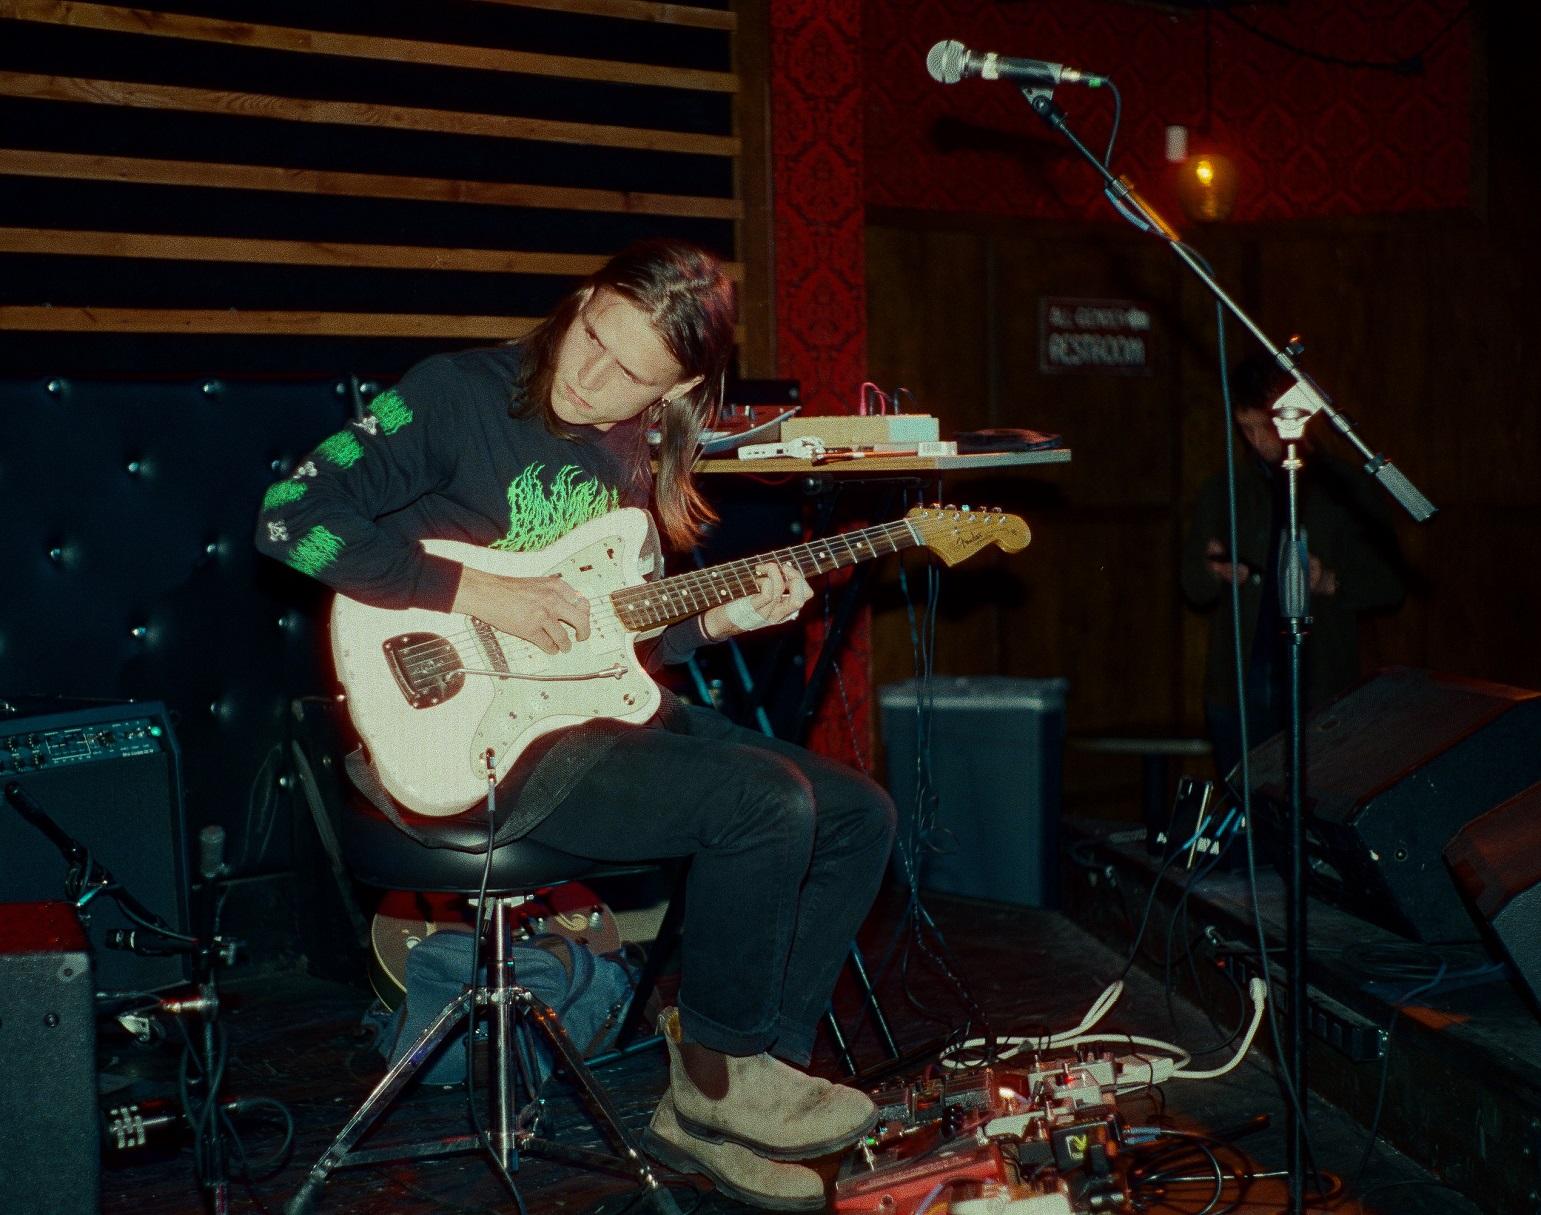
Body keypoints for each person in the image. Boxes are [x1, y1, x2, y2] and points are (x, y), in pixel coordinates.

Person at [256, 239, 895, 1211]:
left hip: (585, 711)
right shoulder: (450, 394)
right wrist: (473, 590)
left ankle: (734, 1092)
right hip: (467, 727)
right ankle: (718, 1078)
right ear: (584, 298)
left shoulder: (635, 445)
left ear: (678, 388)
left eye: (630, 374)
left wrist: (721, 620)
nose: (590, 377)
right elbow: (287, 515)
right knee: (765, 803)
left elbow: (620, 636)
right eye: (593, 336)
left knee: (855, 814)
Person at [1180, 354, 1405, 782]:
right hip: (1240, 688)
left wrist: (1330, 581)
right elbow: (1192, 586)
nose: (1257, 440)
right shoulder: (1225, 490)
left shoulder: (1344, 488)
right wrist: (1213, 571)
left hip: (1320, 688)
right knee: (1247, 805)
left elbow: (1390, 584)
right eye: (1246, 429)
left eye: (1264, 426)